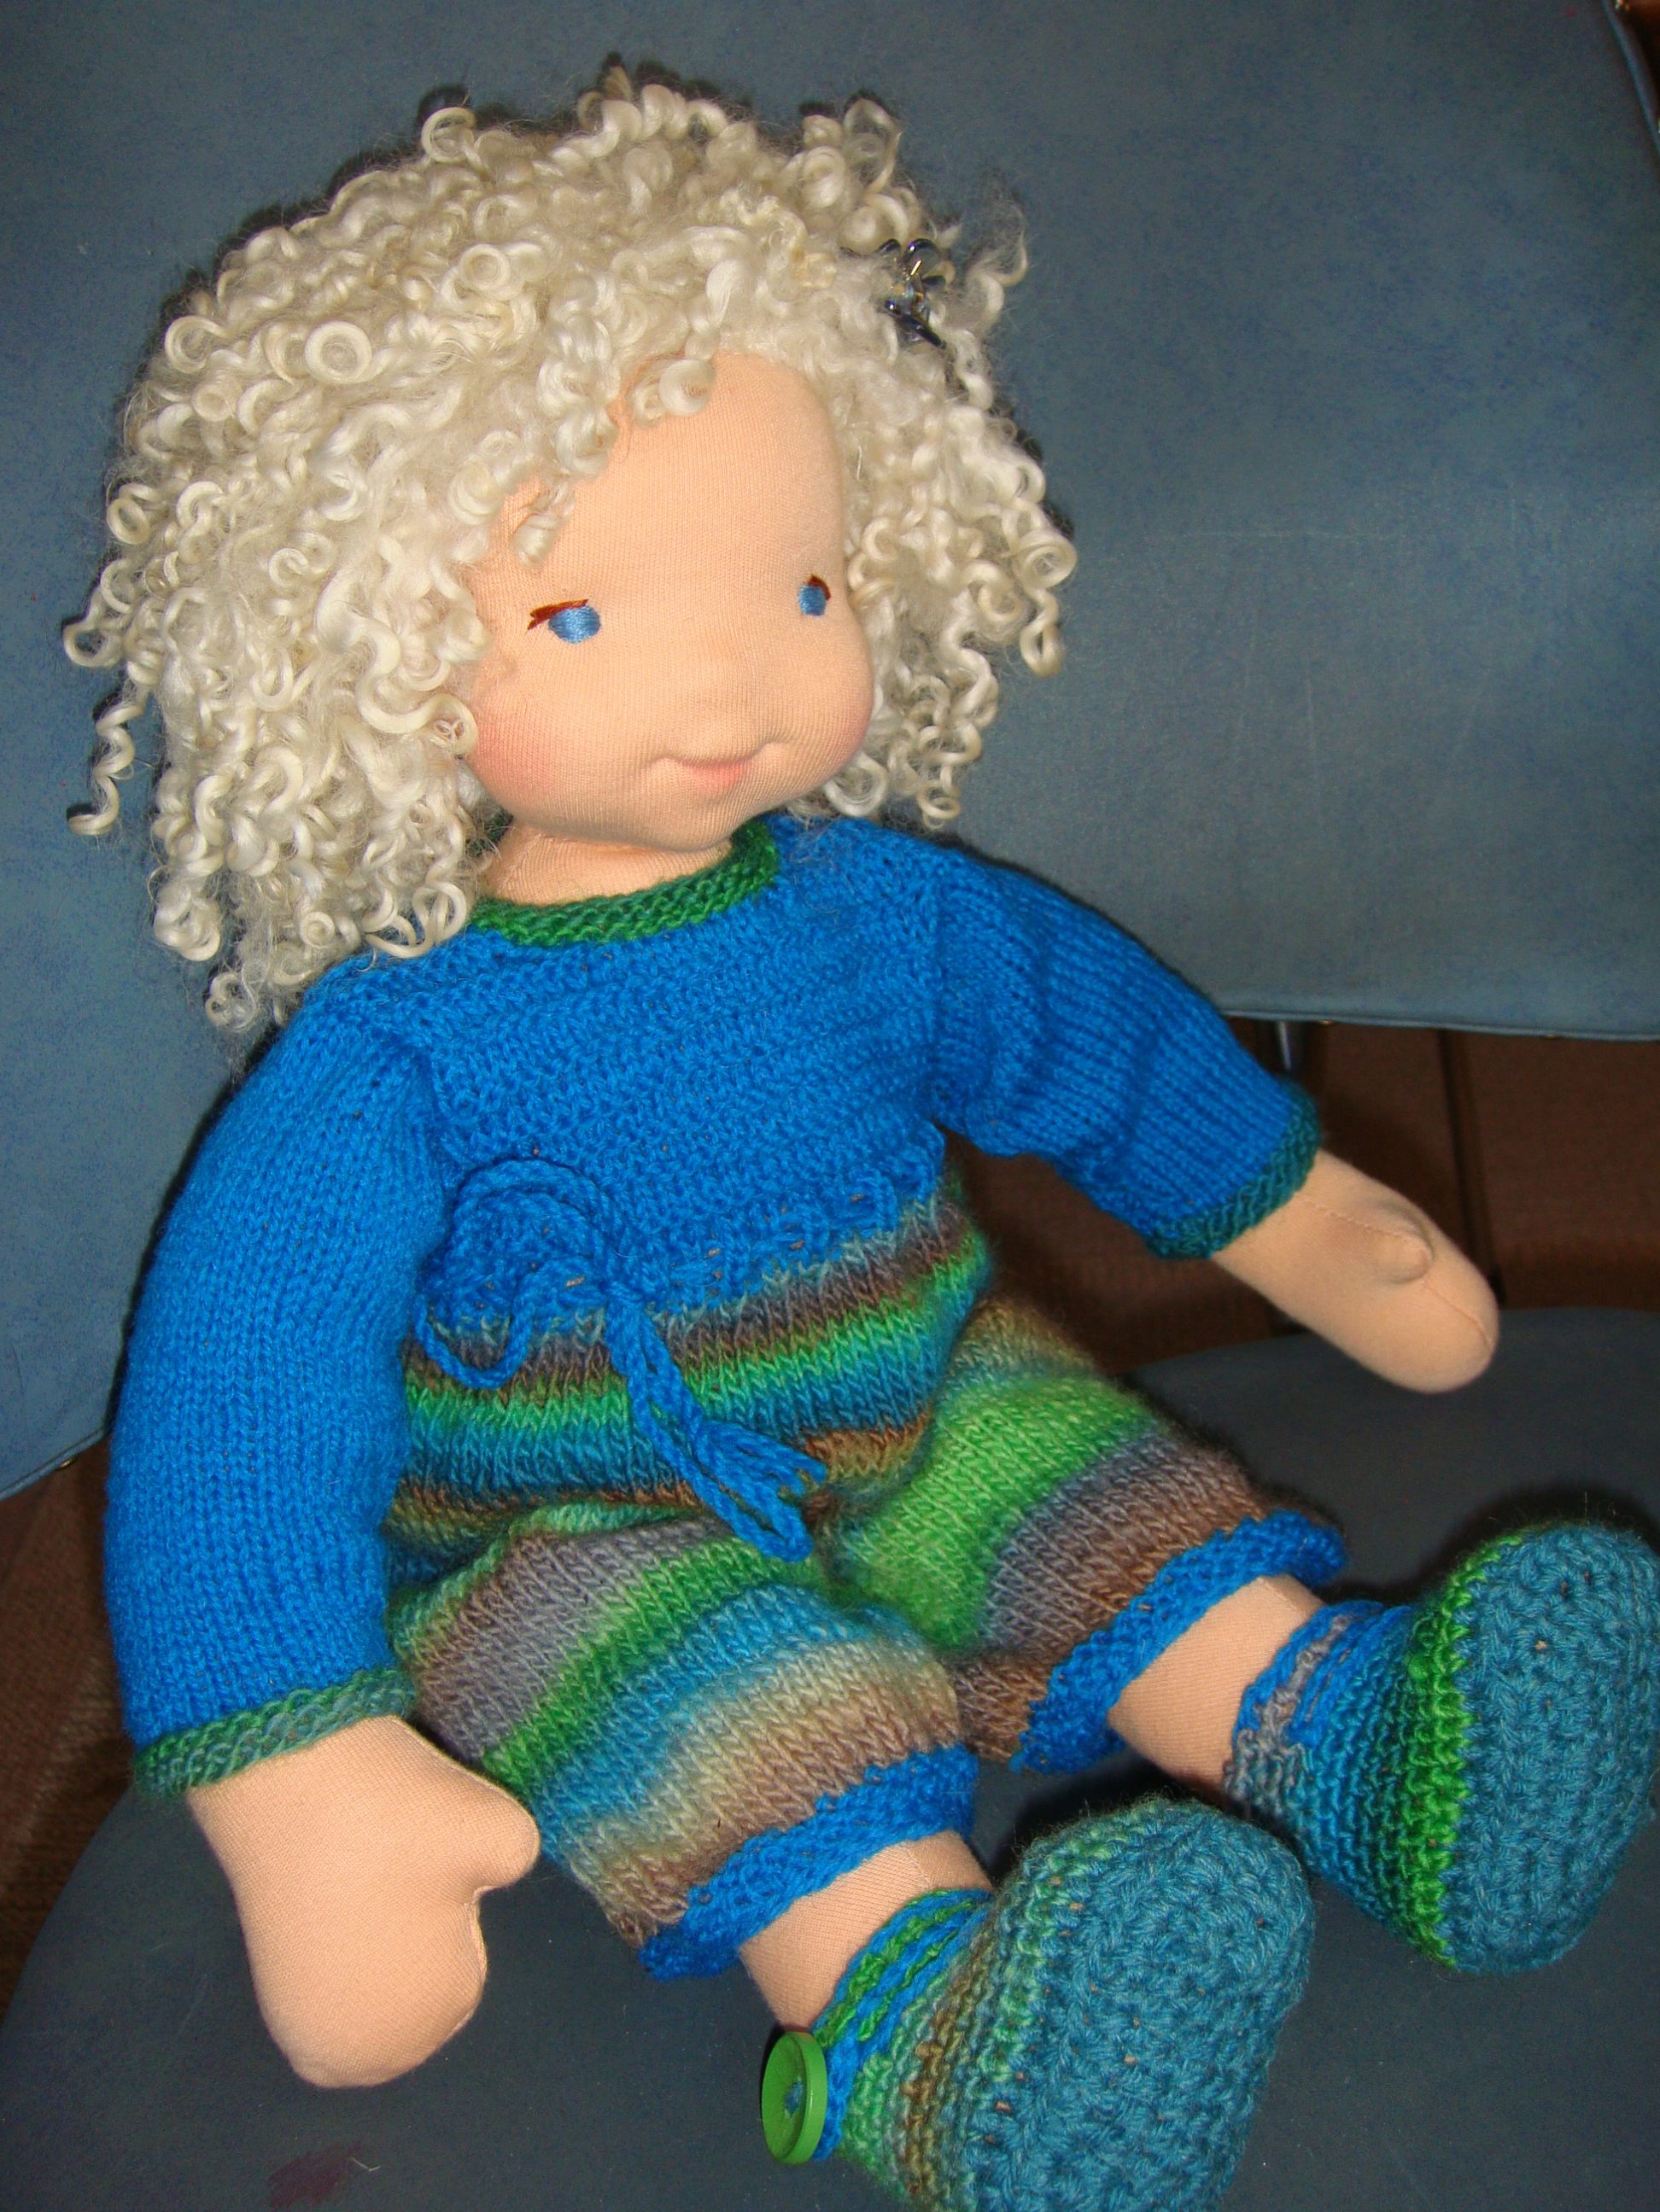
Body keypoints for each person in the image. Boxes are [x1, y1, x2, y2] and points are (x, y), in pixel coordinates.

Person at [67, 71, 1660, 2212]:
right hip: (574, 1527)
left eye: (801, 588)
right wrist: (297, 1767)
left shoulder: (875, 915)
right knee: (736, 1704)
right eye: (580, 616)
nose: (732, 682)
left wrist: (1300, 1210)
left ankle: (1371, 1748)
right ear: (368, 639)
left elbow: (1092, 1041)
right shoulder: (393, 1056)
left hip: (920, 1392)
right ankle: (928, 2022)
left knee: (1099, 1498)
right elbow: (236, 1403)